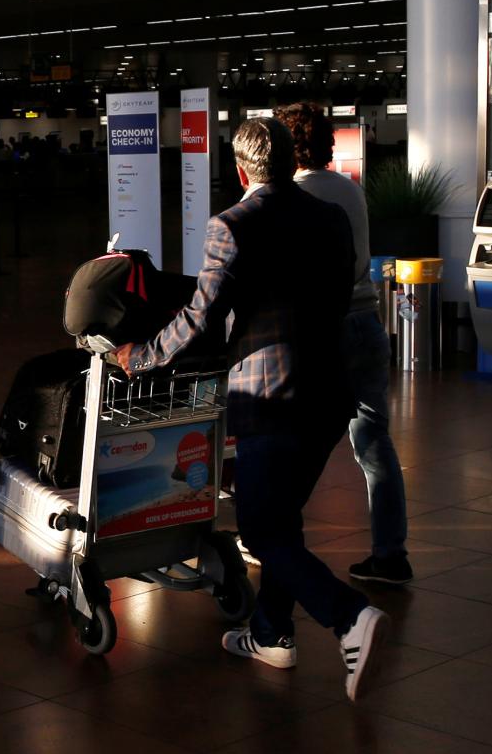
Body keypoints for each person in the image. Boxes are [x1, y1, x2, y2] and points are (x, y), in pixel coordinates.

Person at [114, 118, 388, 702]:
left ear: (241, 170)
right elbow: (336, 298)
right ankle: (271, 633)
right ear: (294, 161)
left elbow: (199, 319)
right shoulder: (331, 218)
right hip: (328, 391)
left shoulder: (232, 225)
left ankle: (348, 617)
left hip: (270, 395)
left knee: (263, 530)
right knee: (283, 516)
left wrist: (140, 357)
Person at [277, 103, 411, 586]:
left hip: (324, 331)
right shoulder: (349, 189)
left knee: (296, 443)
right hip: (367, 323)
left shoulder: (293, 195)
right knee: (375, 446)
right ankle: (391, 555)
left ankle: (273, 541)